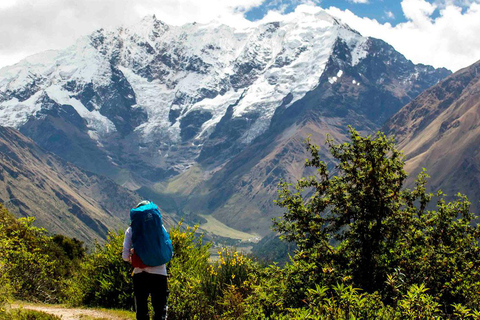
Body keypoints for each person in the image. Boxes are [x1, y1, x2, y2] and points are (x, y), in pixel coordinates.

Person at [122, 200, 170, 320]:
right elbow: (168, 250)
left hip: (140, 274)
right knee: (160, 309)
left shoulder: (131, 230)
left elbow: (124, 256)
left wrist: (134, 257)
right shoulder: (159, 227)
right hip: (160, 273)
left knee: (142, 309)